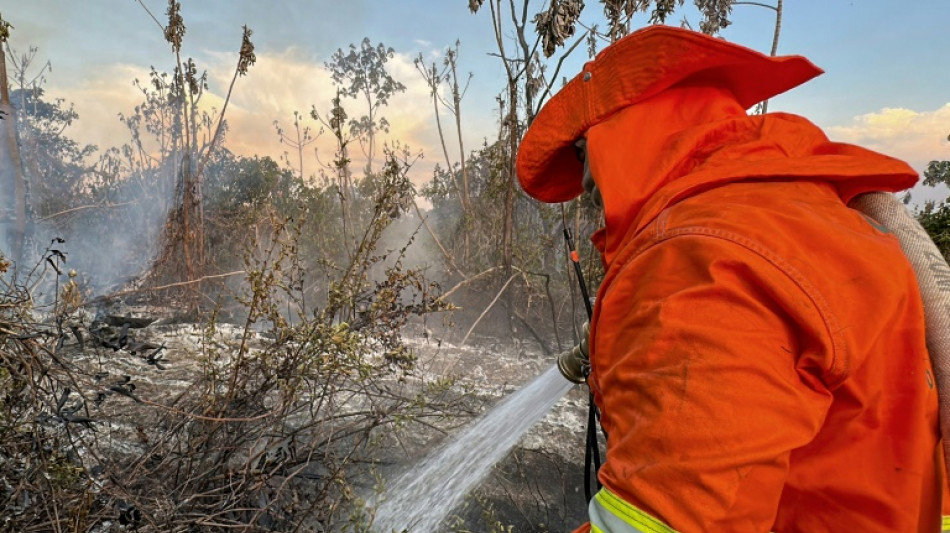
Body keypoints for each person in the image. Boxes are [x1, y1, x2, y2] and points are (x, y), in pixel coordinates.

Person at [516, 25, 947, 532]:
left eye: (585, 155)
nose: (587, 189)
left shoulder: (697, 262)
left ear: (628, 132)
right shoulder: (797, 213)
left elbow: (666, 520)